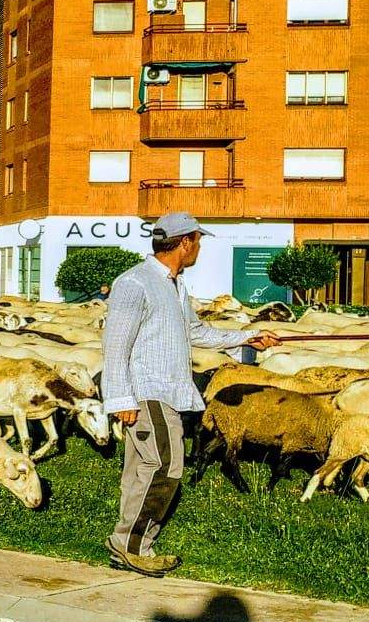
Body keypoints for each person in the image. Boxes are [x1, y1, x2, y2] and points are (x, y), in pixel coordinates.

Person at [102, 212, 279, 577]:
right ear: (185, 242)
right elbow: (115, 345)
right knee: (166, 467)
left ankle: (128, 544)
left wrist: (247, 336)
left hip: (166, 390)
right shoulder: (134, 283)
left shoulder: (175, 285)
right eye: (198, 241)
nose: (198, 248)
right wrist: (120, 399)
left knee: (142, 471)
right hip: (147, 392)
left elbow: (197, 332)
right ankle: (131, 545)